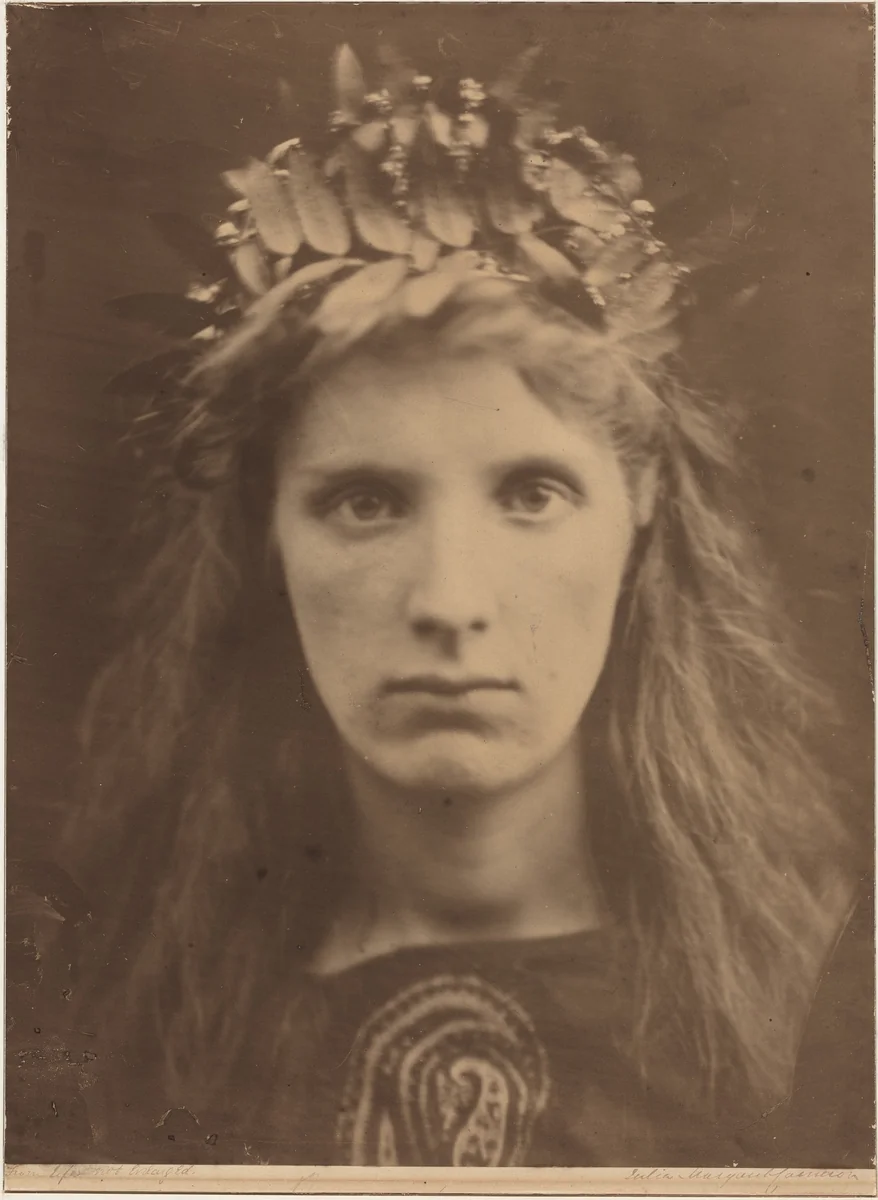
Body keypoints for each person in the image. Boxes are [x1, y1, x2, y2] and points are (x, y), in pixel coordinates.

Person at [9, 45, 870, 1170]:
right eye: (365, 502)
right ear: (265, 531)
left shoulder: (833, 1012)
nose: (449, 602)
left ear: (643, 507)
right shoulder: (90, 1023)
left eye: (530, 492)